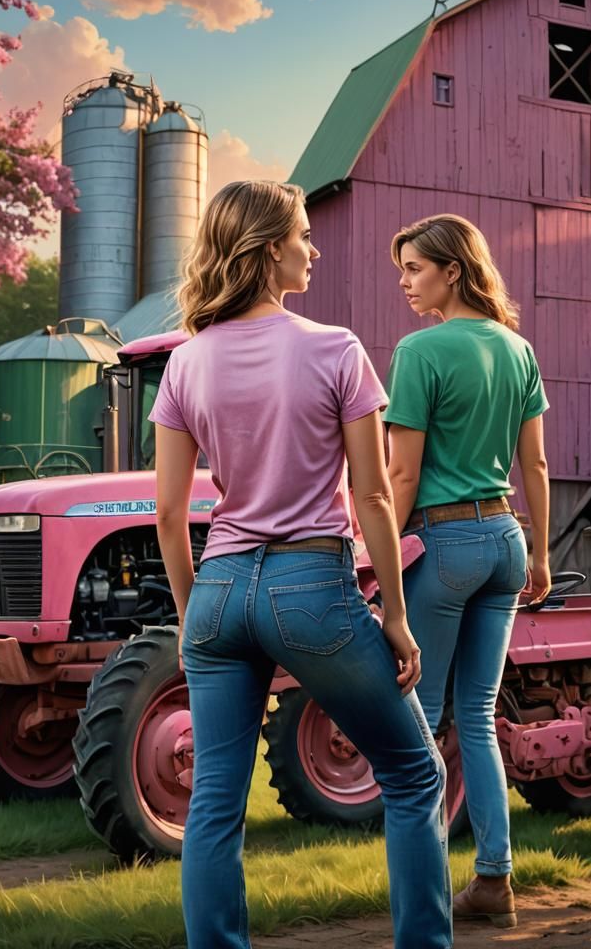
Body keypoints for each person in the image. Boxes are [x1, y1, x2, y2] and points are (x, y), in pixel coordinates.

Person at [150, 180, 452, 949]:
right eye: (304, 236)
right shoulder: (334, 349)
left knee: (214, 803)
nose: (313, 250)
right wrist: (395, 616)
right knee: (416, 775)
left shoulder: (186, 363)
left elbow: (167, 511)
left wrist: (193, 617)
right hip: (309, 586)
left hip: (218, 588)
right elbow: (374, 496)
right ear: (265, 249)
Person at [384, 213, 551, 929]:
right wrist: (542, 552)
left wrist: (376, 557)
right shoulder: (519, 349)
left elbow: (400, 470)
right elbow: (536, 464)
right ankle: (493, 881)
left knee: (415, 719)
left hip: (445, 547)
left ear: (453, 269)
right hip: (506, 540)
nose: (406, 282)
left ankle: (423, 899)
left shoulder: (420, 351)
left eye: (416, 269)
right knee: (477, 718)